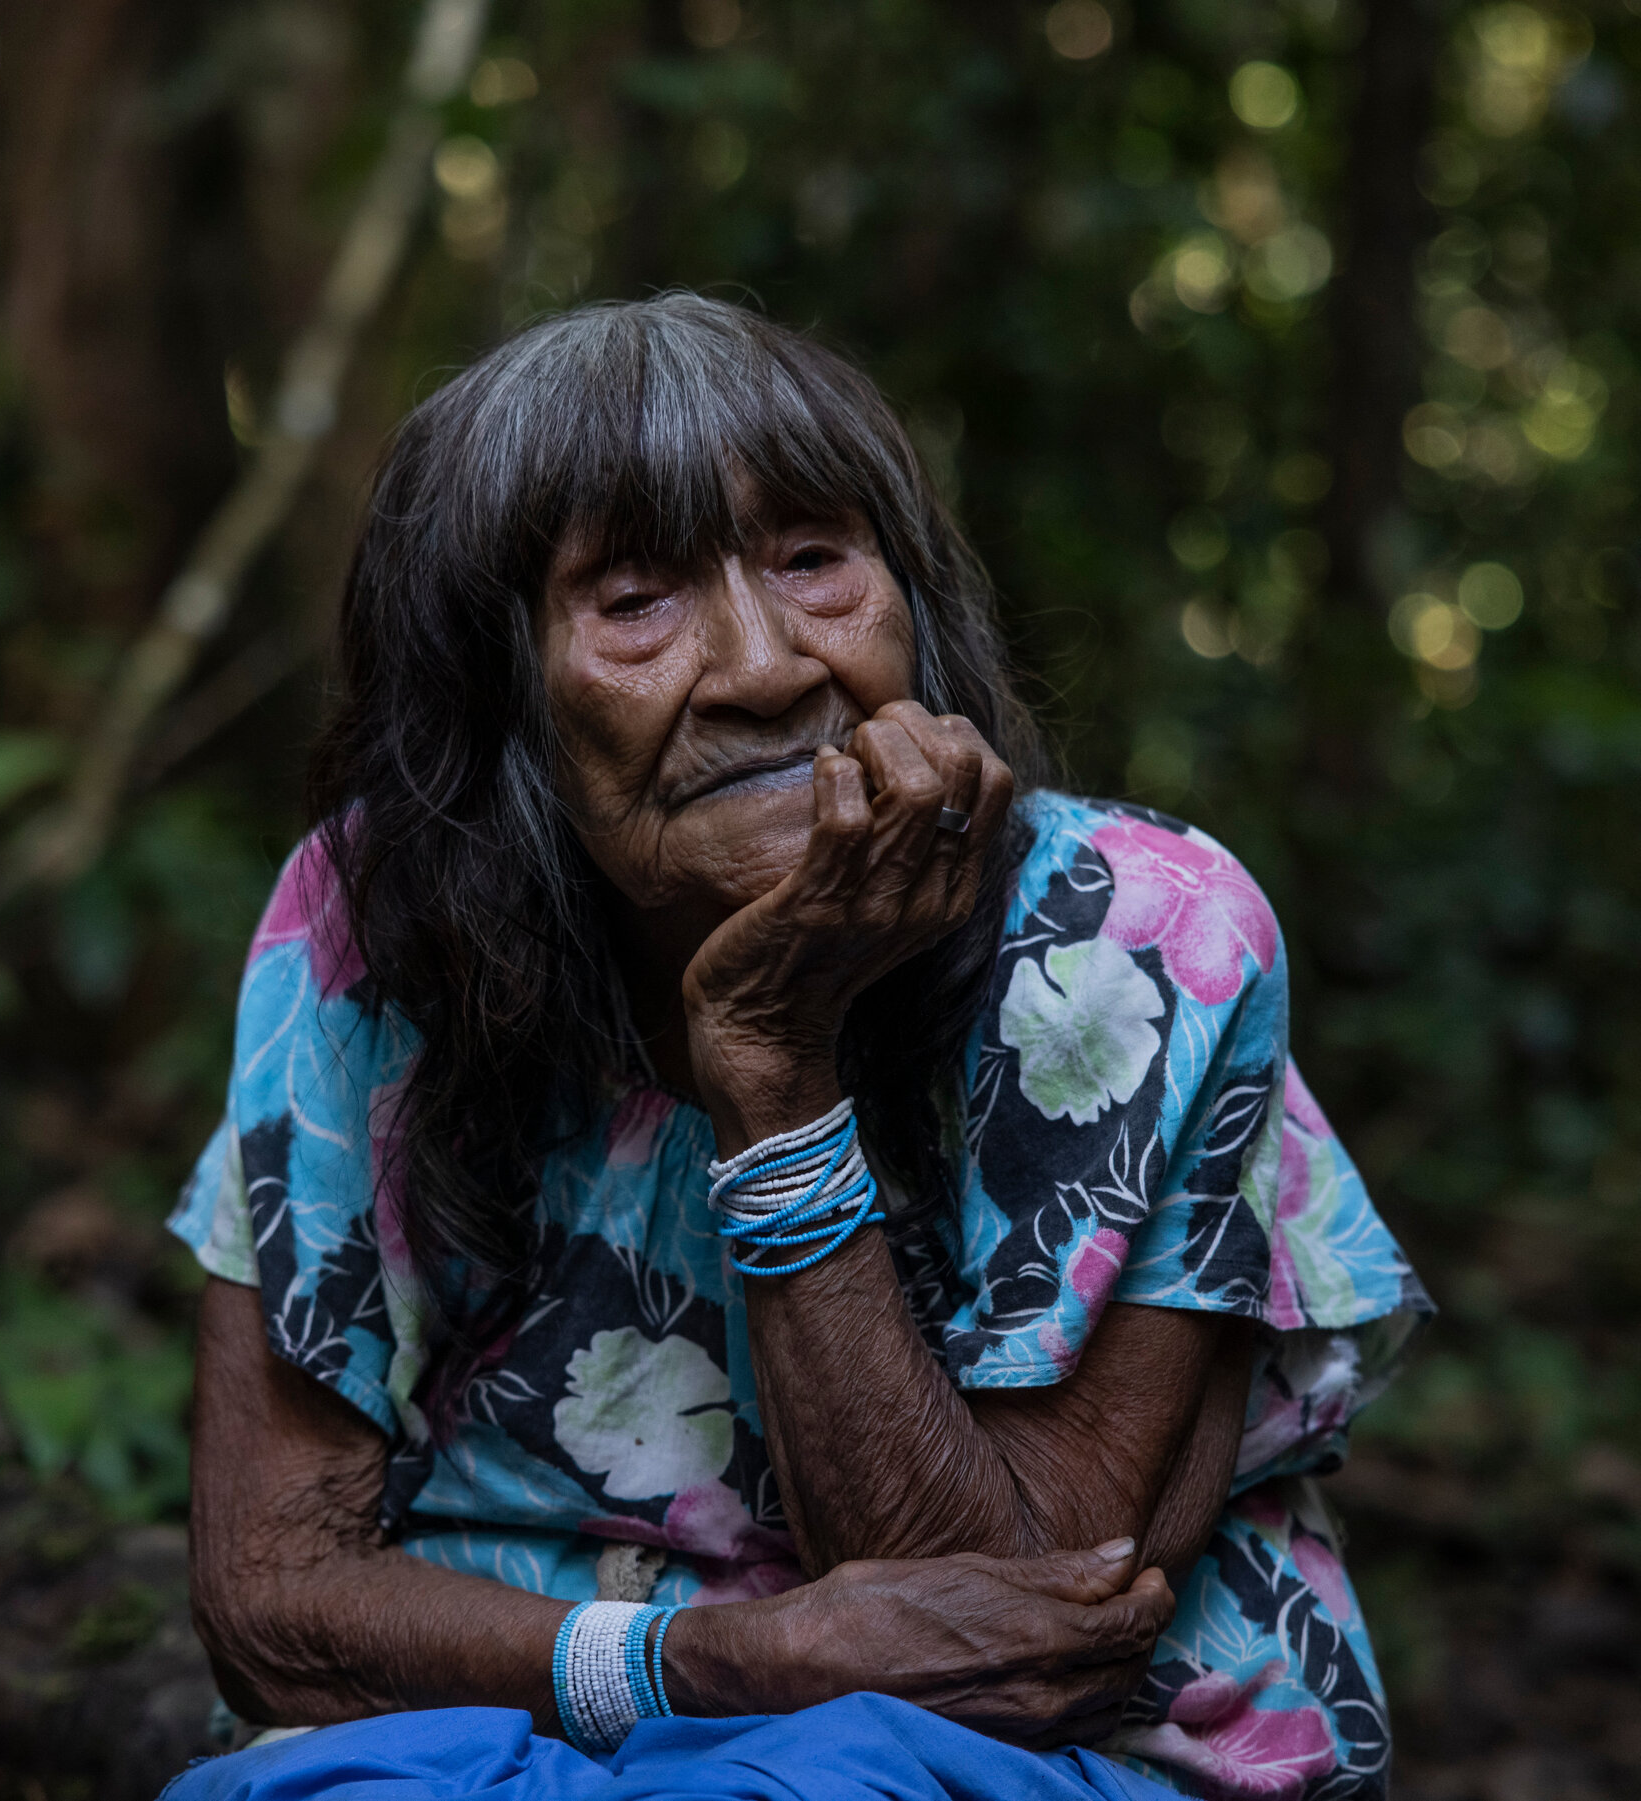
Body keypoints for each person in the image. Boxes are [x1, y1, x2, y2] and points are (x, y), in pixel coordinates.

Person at [165, 295, 1430, 1801]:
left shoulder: (1138, 935)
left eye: (815, 560)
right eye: (634, 600)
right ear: (498, 697)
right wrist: (701, 1666)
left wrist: (771, 1065)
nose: (767, 667)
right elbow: (270, 1596)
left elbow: (1012, 1652)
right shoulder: (366, 923)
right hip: (505, 1723)